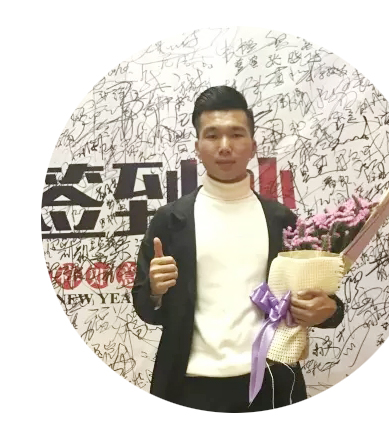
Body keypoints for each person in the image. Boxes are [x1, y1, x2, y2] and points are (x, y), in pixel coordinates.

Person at [132, 86, 344, 412]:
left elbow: (322, 299)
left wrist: (327, 310)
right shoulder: (170, 220)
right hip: (189, 385)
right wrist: (155, 290)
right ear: (197, 147)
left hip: (270, 382)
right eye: (212, 135)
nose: (224, 146)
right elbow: (145, 306)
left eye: (236, 134)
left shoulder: (282, 220)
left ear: (253, 146)